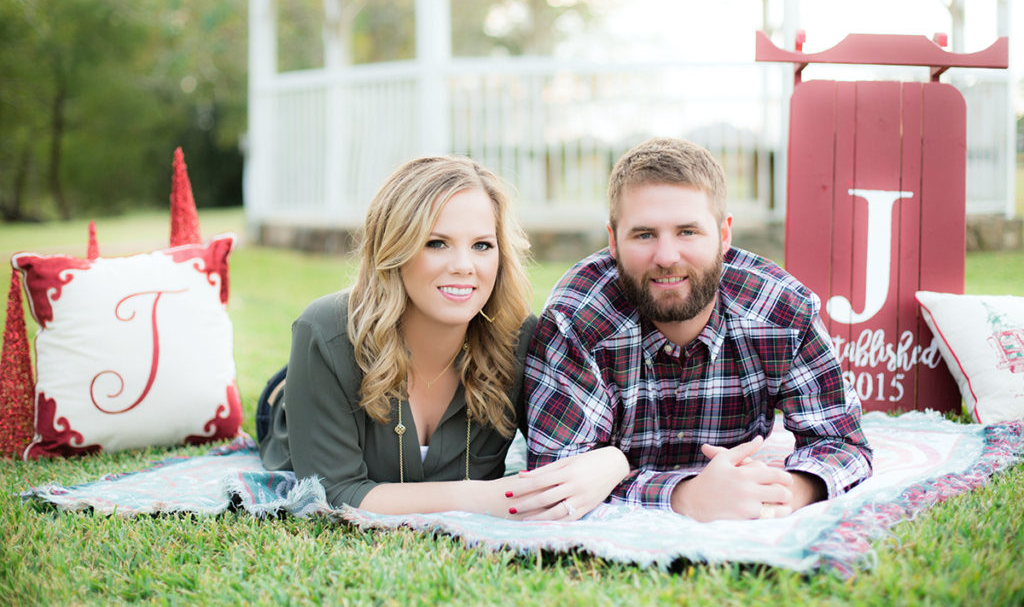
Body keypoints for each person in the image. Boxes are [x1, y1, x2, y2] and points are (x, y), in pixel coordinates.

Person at [257, 156, 628, 518]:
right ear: (395, 248)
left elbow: (576, 449)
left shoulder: (520, 338)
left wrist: (615, 459)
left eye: (482, 245)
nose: (464, 266)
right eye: (436, 243)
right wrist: (483, 497)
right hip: (297, 398)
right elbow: (333, 494)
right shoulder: (325, 333)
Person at [524, 137, 872, 522]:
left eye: (688, 232)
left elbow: (842, 443)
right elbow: (555, 478)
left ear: (724, 235)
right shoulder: (576, 320)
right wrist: (685, 498)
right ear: (613, 241)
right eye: (644, 234)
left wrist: (778, 493)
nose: (667, 257)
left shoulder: (782, 312)